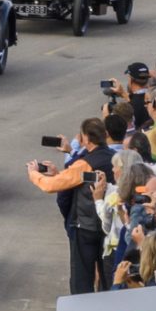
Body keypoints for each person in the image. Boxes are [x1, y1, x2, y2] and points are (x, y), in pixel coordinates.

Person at [26, 118, 115, 295]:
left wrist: (34, 175)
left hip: (85, 227)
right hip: (110, 226)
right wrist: (58, 174)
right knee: (107, 278)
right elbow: (79, 181)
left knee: (81, 280)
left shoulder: (83, 164)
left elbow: (51, 186)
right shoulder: (113, 158)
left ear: (87, 139)